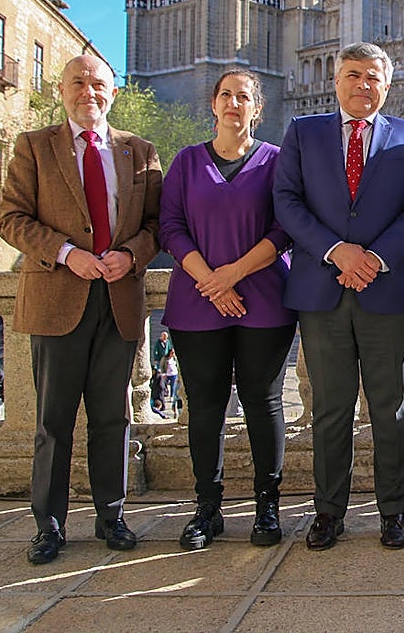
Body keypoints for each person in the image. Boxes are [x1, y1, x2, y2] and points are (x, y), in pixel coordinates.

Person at [0, 54, 162, 565]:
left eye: (98, 83)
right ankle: (48, 526)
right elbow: (11, 220)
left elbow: (160, 225)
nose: (88, 91)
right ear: (61, 90)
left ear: (112, 93)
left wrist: (130, 254)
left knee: (114, 417)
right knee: (54, 422)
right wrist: (69, 254)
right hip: (56, 298)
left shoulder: (140, 151)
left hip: (119, 300)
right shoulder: (33, 147)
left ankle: (111, 517)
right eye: (78, 83)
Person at [274, 42, 404, 552]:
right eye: (353, 75)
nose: (362, 84)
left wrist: (374, 257)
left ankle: (393, 511)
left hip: (385, 290)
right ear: (336, 79)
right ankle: (328, 512)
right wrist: (337, 251)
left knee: (393, 408)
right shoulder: (303, 132)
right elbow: (286, 200)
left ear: (386, 85)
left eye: (373, 77)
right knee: (329, 410)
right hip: (321, 291)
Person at [159, 70, 298, 550]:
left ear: (256, 108)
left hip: (264, 301)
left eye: (244, 97)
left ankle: (267, 507)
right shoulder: (186, 162)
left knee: (264, 404)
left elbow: (285, 229)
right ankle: (207, 509)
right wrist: (211, 281)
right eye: (226, 95)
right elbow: (171, 228)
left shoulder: (278, 162)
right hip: (197, 303)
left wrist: (232, 275)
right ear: (213, 105)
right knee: (205, 407)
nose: (234, 103)